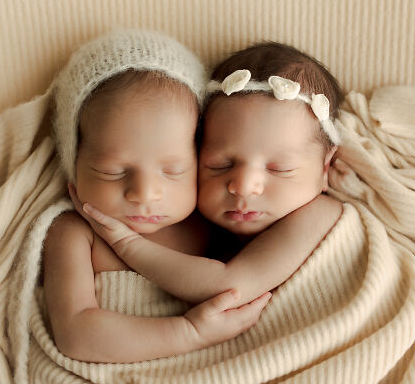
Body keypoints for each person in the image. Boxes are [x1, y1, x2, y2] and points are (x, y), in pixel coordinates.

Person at [43, 29, 272, 363]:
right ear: (74, 165)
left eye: (173, 170)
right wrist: (190, 332)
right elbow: (75, 335)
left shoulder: (210, 222)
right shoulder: (74, 233)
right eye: (113, 171)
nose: (145, 193)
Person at [74, 41, 345, 308]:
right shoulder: (201, 230)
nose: (242, 186)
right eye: (220, 165)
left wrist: (126, 243)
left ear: (325, 167)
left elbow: (228, 288)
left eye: (278, 169)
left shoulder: (320, 214)